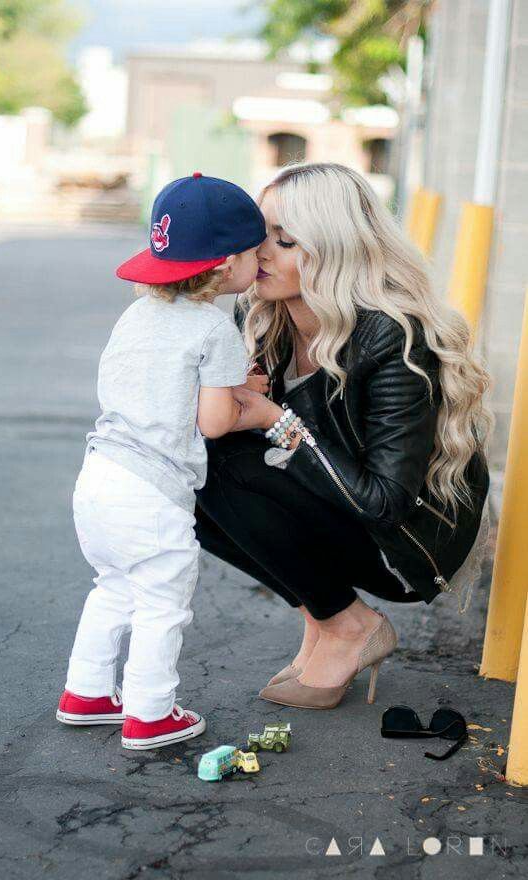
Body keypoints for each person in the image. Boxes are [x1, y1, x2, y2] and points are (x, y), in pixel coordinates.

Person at [194, 162, 492, 710]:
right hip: (339, 504)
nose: (259, 253)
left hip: (404, 544)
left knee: (228, 472)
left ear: (336, 249)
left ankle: (347, 625)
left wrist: (272, 420)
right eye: (258, 235)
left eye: (283, 241)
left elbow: (384, 503)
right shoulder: (261, 315)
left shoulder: (395, 338)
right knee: (194, 471)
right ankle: (330, 617)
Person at [56, 172, 267, 749]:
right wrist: (262, 407)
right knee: (162, 604)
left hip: (99, 477)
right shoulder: (213, 325)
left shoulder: (138, 315)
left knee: (113, 588)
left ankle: (88, 693)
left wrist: (225, 385)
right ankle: (150, 714)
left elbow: (160, 383)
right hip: (152, 492)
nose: (263, 259)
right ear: (227, 266)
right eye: (256, 251)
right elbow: (216, 421)